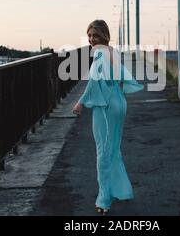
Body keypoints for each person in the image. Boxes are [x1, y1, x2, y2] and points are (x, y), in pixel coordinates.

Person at [72, 20, 144, 215]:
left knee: (103, 152)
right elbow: (120, 77)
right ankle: (122, 190)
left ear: (103, 35)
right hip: (119, 102)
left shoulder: (99, 52)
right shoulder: (113, 51)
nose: (91, 39)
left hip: (106, 106)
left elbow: (93, 82)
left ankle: (104, 200)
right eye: (88, 35)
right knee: (113, 148)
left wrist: (80, 102)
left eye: (94, 35)